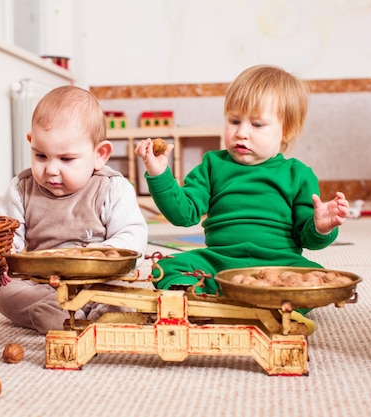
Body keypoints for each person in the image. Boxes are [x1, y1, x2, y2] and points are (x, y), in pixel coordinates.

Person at [134, 64, 349, 333]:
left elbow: (307, 238)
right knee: (164, 269)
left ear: (286, 131)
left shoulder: (299, 174)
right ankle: (200, 301)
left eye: (257, 124)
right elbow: (183, 214)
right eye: (234, 121)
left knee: (317, 278)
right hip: (220, 261)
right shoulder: (212, 165)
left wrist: (321, 226)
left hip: (279, 265)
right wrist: (159, 174)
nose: (241, 132)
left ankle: (267, 305)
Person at [0, 85, 149, 335]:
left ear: (100, 155)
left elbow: (132, 234)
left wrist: (106, 253)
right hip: (45, 283)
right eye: (41, 156)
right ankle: (59, 313)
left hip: (100, 279)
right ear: (31, 144)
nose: (52, 169)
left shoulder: (112, 188)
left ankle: (105, 309)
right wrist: (5, 253)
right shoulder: (21, 188)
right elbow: (5, 233)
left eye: (66, 159)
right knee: (2, 291)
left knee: (141, 277)